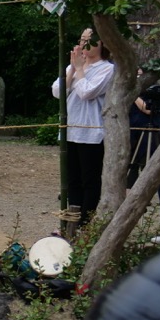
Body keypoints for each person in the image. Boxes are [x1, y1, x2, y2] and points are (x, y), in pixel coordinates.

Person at [51, 27, 114, 223]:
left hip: (91, 131)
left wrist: (79, 70)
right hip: (70, 129)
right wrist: (73, 69)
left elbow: (87, 92)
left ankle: (86, 226)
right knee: (72, 181)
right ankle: (71, 224)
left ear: (102, 43)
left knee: (90, 180)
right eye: (82, 38)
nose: (84, 43)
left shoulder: (107, 68)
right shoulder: (73, 66)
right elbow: (57, 92)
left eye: (90, 39)